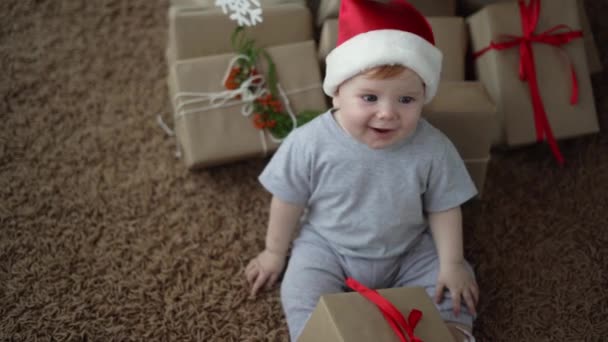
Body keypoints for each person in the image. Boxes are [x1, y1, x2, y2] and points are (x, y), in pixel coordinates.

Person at [245, 0, 479, 340]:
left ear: (423, 98)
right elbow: (288, 200)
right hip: (329, 246)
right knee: (300, 287)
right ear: (337, 93)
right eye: (369, 98)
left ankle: (448, 332)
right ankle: (315, 334)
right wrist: (274, 252)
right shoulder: (309, 143)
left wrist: (452, 263)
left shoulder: (433, 147)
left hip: (408, 248)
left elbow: (444, 206)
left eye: (406, 100)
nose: (387, 113)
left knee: (451, 286)